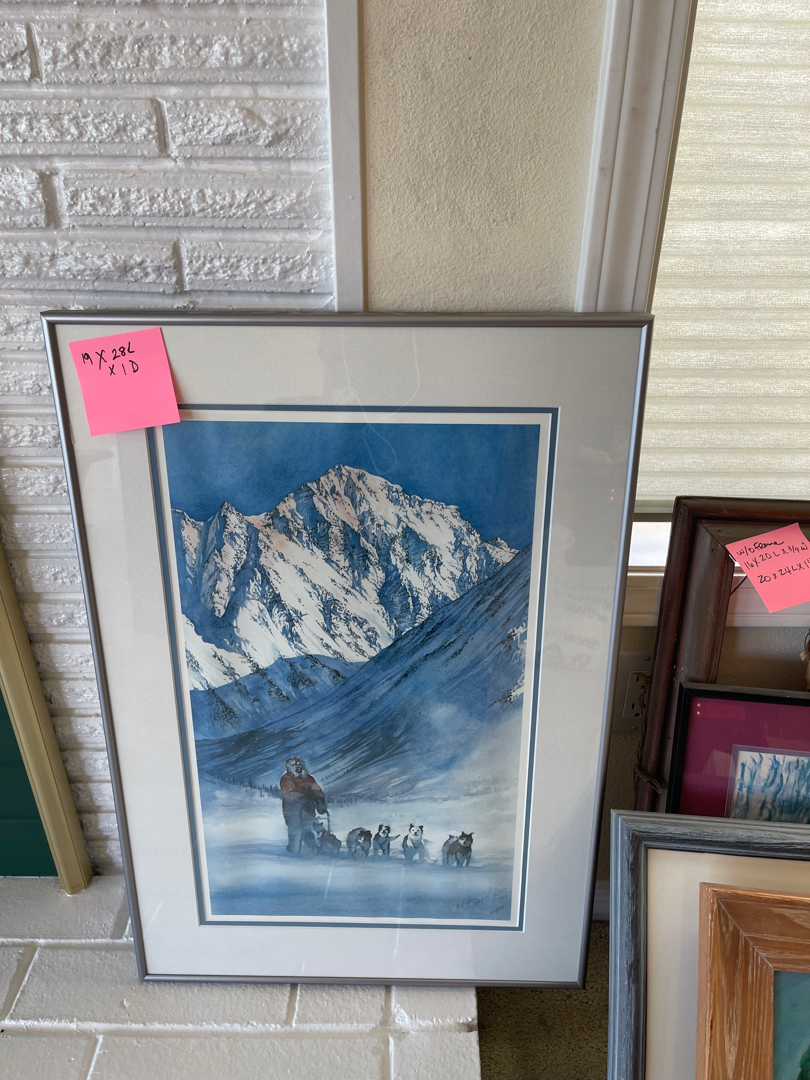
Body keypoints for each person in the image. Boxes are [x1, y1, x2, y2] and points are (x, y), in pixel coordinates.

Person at [280, 756, 327, 853]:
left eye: (299, 764)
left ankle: (311, 848)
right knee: (295, 829)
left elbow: (315, 789)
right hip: (292, 810)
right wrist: (302, 799)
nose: (298, 767)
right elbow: (289, 793)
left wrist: (319, 799)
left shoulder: (308, 778)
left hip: (308, 809)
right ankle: (293, 850)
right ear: (290, 767)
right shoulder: (286, 779)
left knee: (308, 828)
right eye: (295, 765)